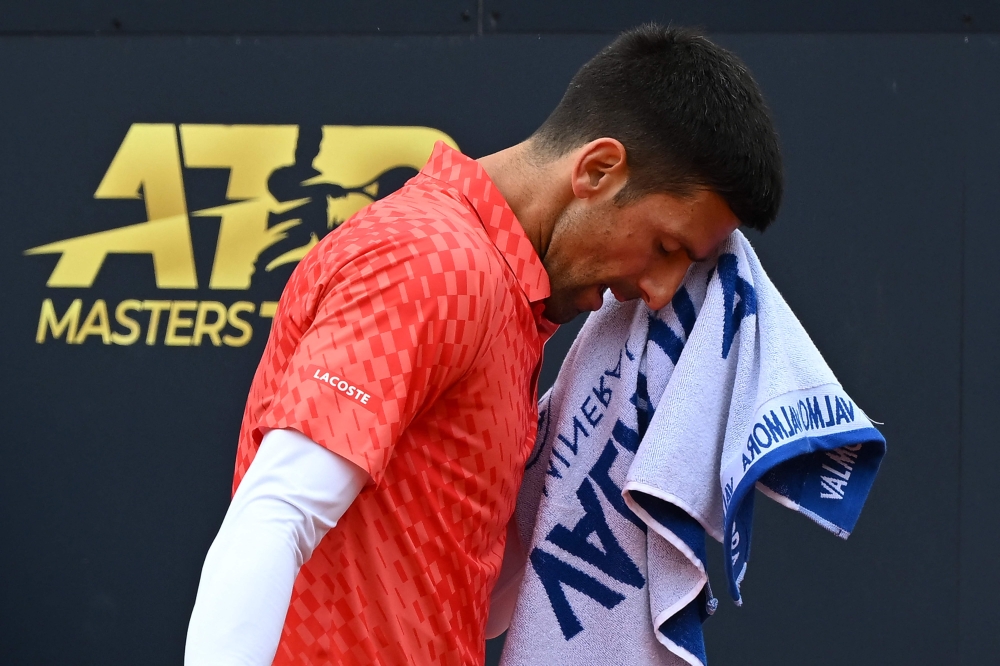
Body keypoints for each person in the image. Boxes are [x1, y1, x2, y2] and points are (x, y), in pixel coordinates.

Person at [185, 24, 783, 666]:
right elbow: (274, 514)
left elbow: (476, 607)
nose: (663, 291)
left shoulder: (506, 302)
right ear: (598, 169)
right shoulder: (436, 261)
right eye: (665, 248)